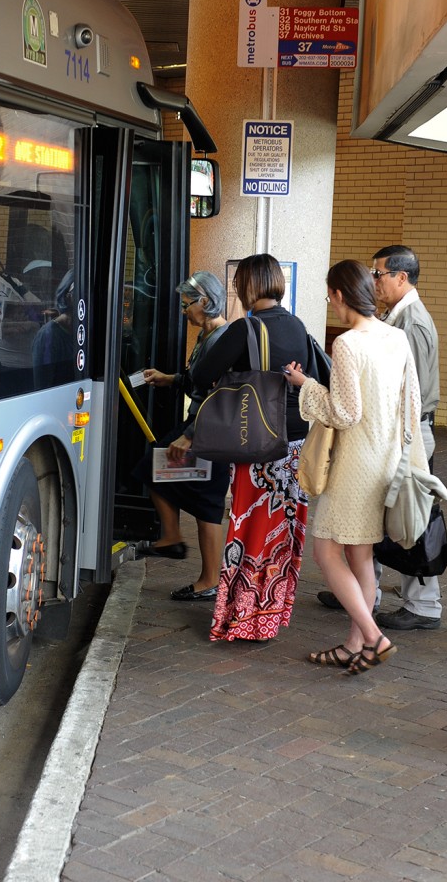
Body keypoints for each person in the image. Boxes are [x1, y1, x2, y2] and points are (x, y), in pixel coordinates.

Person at [286, 260, 425, 673]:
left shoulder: (347, 344)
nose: (329, 300)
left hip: (352, 465)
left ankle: (373, 636)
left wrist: (306, 386)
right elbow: (411, 404)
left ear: (339, 295)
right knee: (360, 556)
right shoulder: (396, 337)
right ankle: (354, 644)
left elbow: (345, 413)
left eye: (330, 293)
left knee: (327, 552)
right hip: (385, 460)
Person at [316, 245, 442, 628]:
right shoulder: (392, 326)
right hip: (389, 442)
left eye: (380, 273)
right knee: (366, 545)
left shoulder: (405, 325)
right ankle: (362, 626)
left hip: (384, 442)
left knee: (410, 522)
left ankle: (417, 607)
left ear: (401, 277)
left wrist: (310, 388)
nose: (375, 280)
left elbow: (401, 398)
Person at [191, 254, 310, 641]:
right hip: (296, 443)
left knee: (250, 527)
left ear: (248, 285)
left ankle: (242, 616)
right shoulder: (297, 324)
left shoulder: (246, 328)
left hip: (258, 440)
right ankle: (271, 613)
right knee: (281, 532)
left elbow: (202, 374)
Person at [132, 271, 230, 600]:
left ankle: (208, 579)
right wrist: (169, 379)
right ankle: (174, 542)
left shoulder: (223, 340)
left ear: (206, 302)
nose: (184, 310)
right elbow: (196, 382)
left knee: (207, 504)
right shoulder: (207, 336)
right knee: (156, 471)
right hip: (200, 429)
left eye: (187, 303)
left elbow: (219, 398)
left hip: (208, 434)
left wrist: (189, 436)